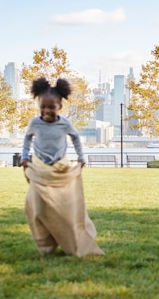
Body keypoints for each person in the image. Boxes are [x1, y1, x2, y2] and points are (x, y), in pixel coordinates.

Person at [21, 77, 104, 257]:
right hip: (40, 168)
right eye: (43, 107)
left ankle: (71, 240)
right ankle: (46, 246)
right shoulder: (35, 123)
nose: (46, 111)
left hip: (60, 168)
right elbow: (27, 138)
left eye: (51, 107)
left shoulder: (64, 124)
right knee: (37, 207)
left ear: (60, 107)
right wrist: (25, 157)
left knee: (65, 207)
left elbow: (75, 138)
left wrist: (81, 158)